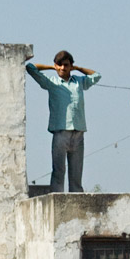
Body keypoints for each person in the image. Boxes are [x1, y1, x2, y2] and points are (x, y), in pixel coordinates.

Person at [26, 50, 101, 193]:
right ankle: (57, 198)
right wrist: (51, 67)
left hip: (78, 132)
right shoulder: (51, 83)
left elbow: (97, 76)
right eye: (59, 65)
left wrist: (78, 69)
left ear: (70, 66)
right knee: (58, 172)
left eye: (65, 65)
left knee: (76, 174)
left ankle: (77, 201)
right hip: (60, 132)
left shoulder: (79, 82)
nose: (62, 68)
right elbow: (30, 68)